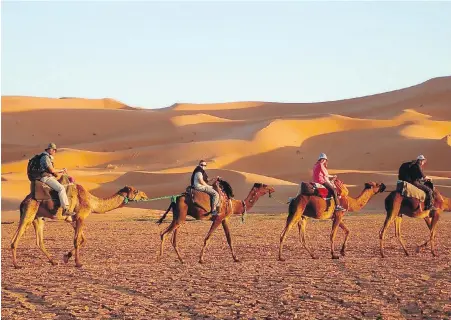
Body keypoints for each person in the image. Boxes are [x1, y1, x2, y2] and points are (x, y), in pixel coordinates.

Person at [39, 143, 75, 216]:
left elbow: (51, 171)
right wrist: (61, 170)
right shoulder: (45, 157)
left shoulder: (46, 157)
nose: (55, 152)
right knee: (61, 188)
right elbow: (51, 170)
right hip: (46, 178)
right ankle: (65, 209)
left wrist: (57, 173)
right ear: (51, 150)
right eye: (54, 150)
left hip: (47, 176)